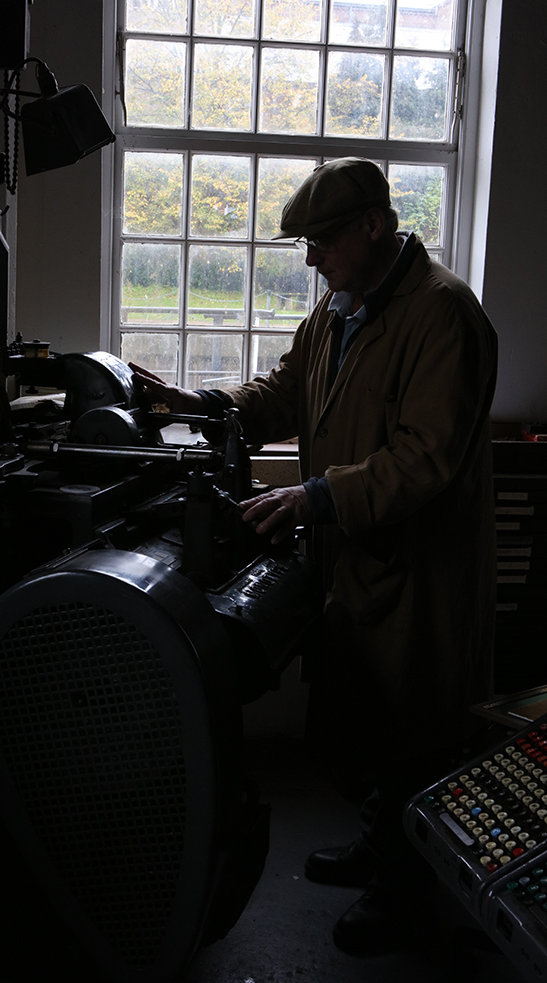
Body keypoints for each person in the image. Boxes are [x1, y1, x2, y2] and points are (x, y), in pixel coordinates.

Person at [130, 156, 498, 956]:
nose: (310, 259)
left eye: (321, 241)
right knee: (370, 719)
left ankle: (406, 895)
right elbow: (287, 392)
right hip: (356, 557)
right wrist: (203, 403)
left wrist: (316, 496)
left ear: (375, 225)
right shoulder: (340, 308)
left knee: (415, 730)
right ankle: (379, 847)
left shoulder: (442, 314)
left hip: (417, 571)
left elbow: (425, 456)